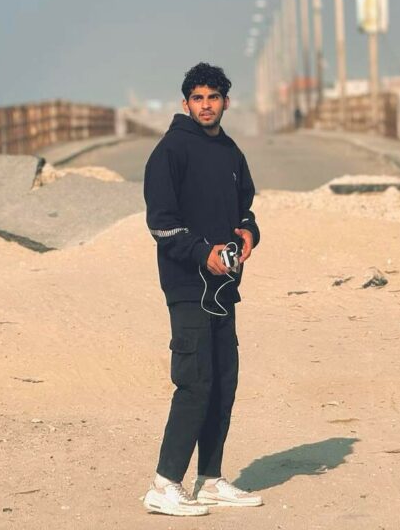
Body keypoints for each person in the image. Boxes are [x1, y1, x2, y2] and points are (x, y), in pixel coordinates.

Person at [141, 62, 264, 517]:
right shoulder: (170, 151)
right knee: (195, 382)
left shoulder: (230, 152)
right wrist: (201, 253)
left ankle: (210, 480)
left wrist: (249, 233)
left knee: (223, 381)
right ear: (186, 103)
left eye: (213, 97)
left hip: (224, 287)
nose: (206, 105)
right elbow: (161, 224)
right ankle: (164, 484)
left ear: (226, 102)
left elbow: (245, 208)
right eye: (198, 98)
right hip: (187, 286)